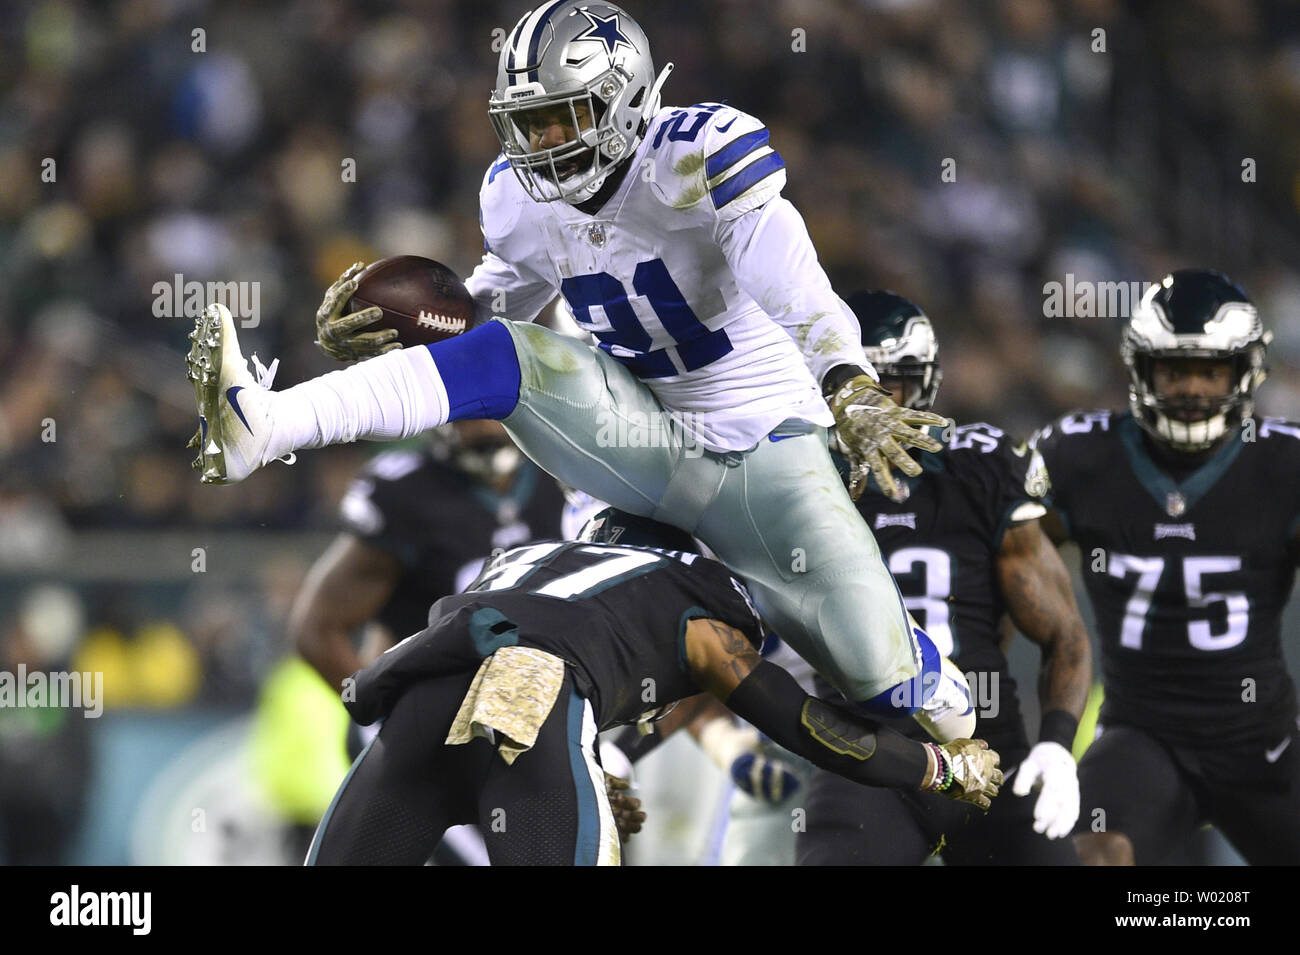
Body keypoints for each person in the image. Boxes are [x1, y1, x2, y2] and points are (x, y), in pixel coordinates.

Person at [186, 0, 975, 742]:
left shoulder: (695, 156)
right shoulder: (518, 200)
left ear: (626, 98)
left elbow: (794, 284)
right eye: (526, 124)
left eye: (563, 115)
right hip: (638, 438)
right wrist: (403, 332)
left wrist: (847, 381)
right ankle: (268, 422)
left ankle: (930, 690)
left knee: (893, 688)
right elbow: (490, 312)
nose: (541, 142)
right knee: (508, 362)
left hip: (762, 447)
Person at [305, 510, 1001, 865]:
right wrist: (938, 765)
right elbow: (811, 727)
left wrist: (584, 769)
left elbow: (516, 652)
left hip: (416, 706)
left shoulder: (525, 555)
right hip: (534, 706)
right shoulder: (695, 599)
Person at [795, 291, 1092, 865]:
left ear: (926, 382)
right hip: (865, 752)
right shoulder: (801, 480)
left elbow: (1064, 633)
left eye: (892, 385)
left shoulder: (978, 467)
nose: (877, 412)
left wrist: (1055, 745)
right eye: (861, 389)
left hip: (988, 751)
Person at [1032, 269, 1300, 865]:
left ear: (1245, 372)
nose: (1192, 389)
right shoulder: (1080, 455)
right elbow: (1006, 552)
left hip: (1264, 742)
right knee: (1093, 854)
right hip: (1141, 737)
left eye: (1211, 371)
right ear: (1141, 371)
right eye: (1175, 370)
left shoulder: (1283, 462)